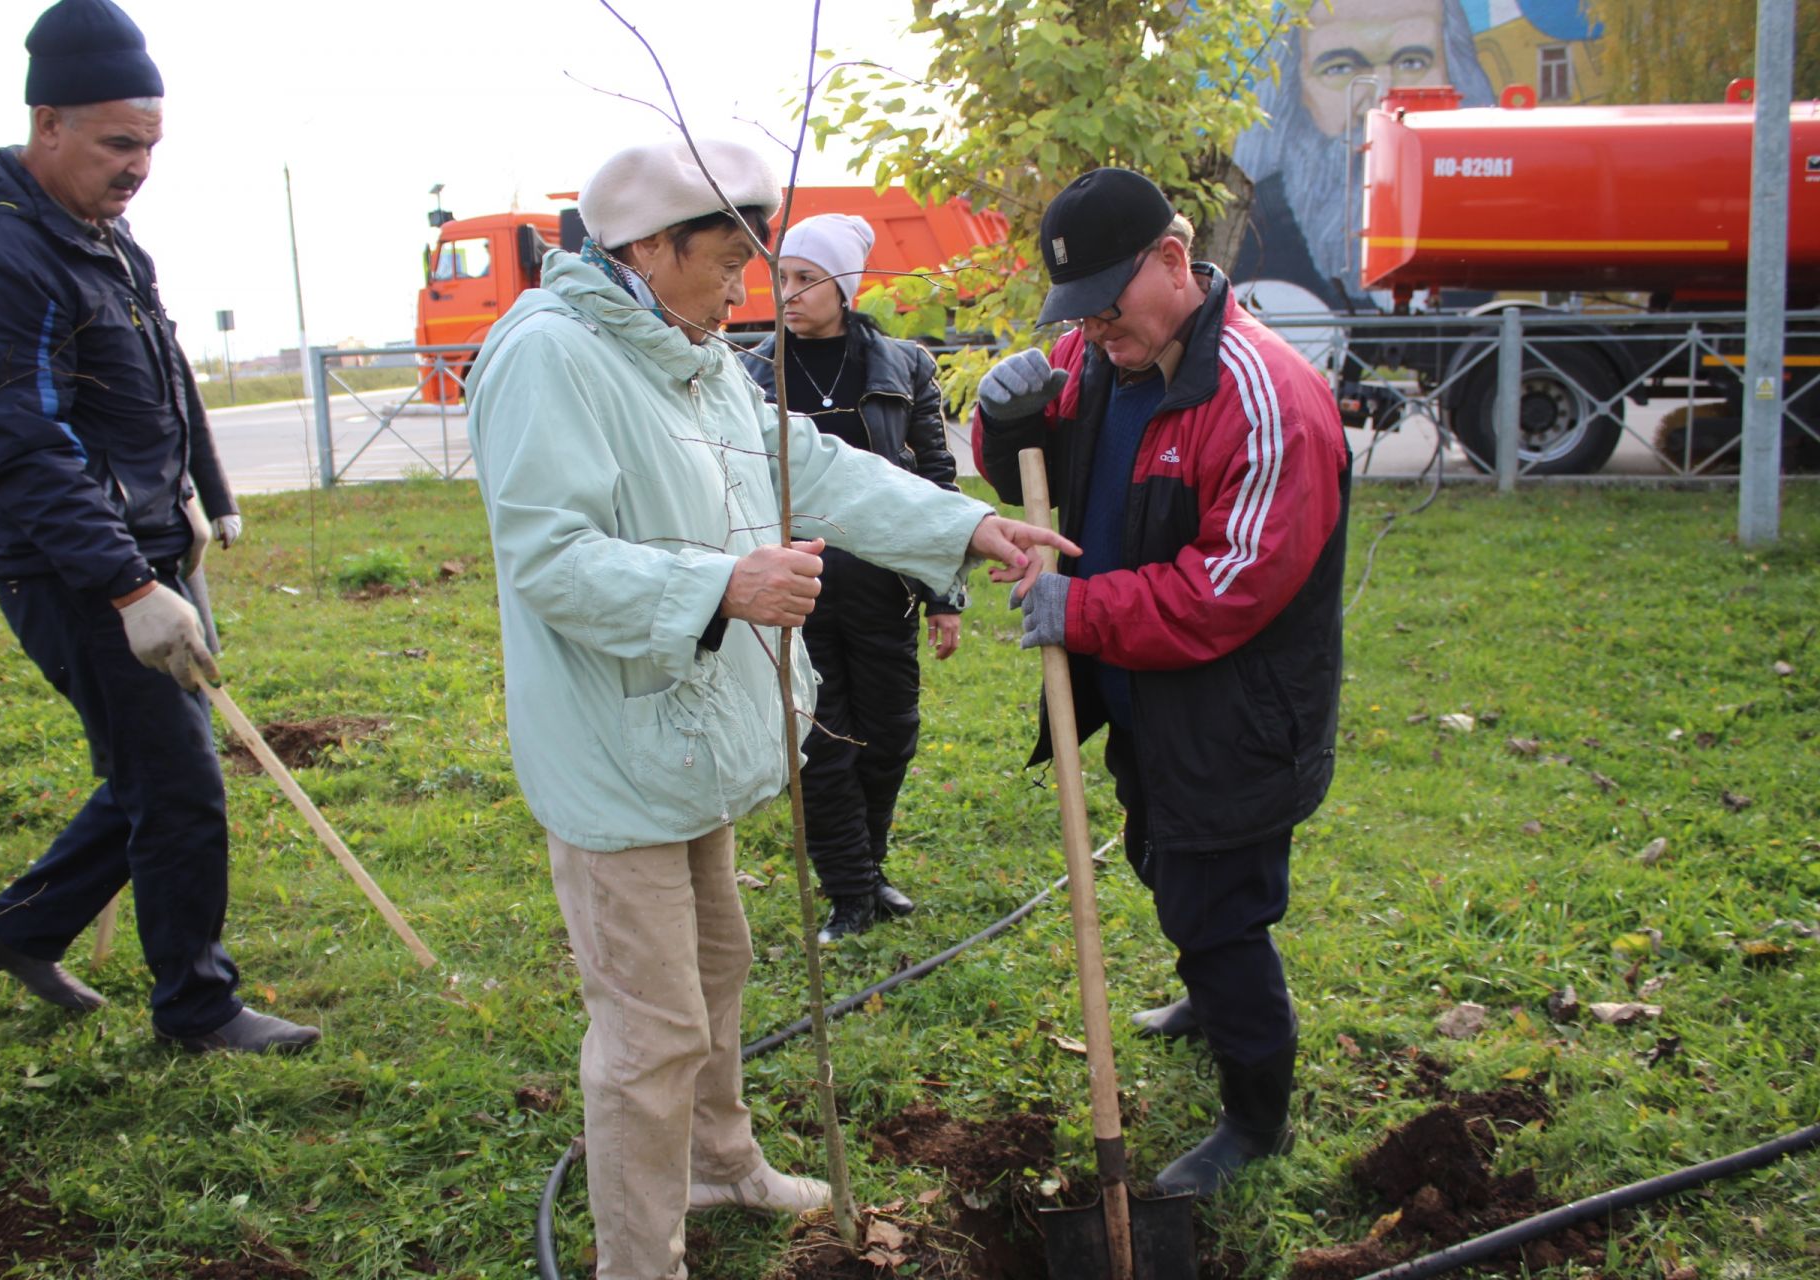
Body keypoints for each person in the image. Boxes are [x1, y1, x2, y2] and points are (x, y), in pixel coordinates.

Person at [466, 136, 1075, 1280]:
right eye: (727, 258)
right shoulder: (551, 358)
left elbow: (812, 466)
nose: (748, 283)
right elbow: (546, 557)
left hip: (685, 733)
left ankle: (720, 1158)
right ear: (647, 247)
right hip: (614, 746)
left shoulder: (687, 353)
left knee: (720, 962)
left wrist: (962, 527)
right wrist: (720, 585)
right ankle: (639, 1259)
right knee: (650, 1030)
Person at [0, 0, 311, 1055]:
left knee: (155, 767)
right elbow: (23, 443)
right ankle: (196, 1008)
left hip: (149, 545)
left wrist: (209, 483)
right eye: (117, 143)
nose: (140, 166)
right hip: (75, 566)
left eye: (150, 144)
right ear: (47, 125)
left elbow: (168, 374)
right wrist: (128, 589)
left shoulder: (103, 238)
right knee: (181, 783)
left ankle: (22, 927)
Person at [973, 168, 1350, 1197]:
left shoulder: (1268, 399)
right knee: (1159, 848)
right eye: (1076, 310)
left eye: (1106, 303)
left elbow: (1228, 588)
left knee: (1220, 907)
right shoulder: (1098, 358)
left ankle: (1255, 1113)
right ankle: (1204, 993)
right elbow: (1032, 478)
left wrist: (1080, 612)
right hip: (1148, 699)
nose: (1090, 329)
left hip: (1236, 715)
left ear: (1174, 264)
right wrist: (1004, 424)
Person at [740, 213, 962, 944]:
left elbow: (935, 481)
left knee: (890, 734)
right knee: (822, 741)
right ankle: (848, 891)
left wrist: (944, 595)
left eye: (807, 278)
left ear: (844, 285)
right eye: (781, 277)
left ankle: (871, 865)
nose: (789, 294)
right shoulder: (749, 371)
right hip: (795, 588)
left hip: (885, 586)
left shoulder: (902, 367)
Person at [1231, 0, 1494, 310]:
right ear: (1294, 90)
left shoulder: (1488, 230)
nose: (1380, 99)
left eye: (1412, 62)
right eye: (1340, 67)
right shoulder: (1253, 229)